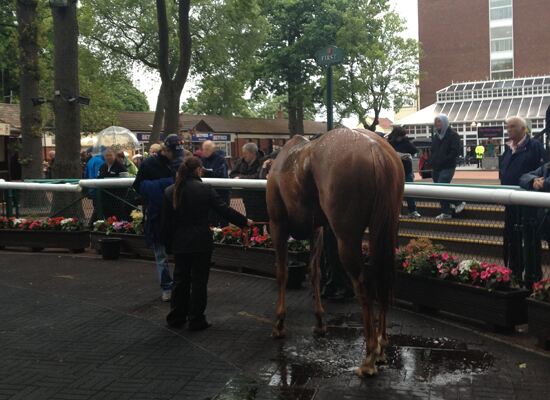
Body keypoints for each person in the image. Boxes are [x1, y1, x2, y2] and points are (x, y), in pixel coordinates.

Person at [162, 157, 252, 330]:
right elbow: (224, 209)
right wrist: (244, 221)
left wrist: (168, 245)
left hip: (180, 242)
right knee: (199, 281)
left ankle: (176, 317)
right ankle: (196, 319)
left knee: (180, 280)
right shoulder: (204, 189)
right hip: (201, 241)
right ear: (197, 170)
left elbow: (166, 223)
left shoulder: (170, 191)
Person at [133, 135, 185, 302]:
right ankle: (167, 287)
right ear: (166, 150)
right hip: (157, 214)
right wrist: (165, 185)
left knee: (178, 251)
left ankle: (179, 285)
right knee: (161, 254)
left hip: (175, 214)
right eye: (174, 154)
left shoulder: (178, 162)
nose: (176, 157)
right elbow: (137, 186)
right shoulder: (149, 164)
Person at [500, 116, 547, 288]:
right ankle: (514, 272)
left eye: (513, 126)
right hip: (510, 201)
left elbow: (540, 171)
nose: (509, 130)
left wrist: (531, 183)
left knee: (529, 239)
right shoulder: (507, 148)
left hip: (528, 204)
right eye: (508, 127)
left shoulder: (534, 147)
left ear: (523, 129)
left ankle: (533, 276)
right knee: (511, 237)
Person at [430, 114, 466, 219]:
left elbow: (455, 151)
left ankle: (458, 202)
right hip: (436, 167)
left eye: (439, 121)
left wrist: (444, 159)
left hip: (448, 166)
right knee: (439, 190)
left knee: (441, 186)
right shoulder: (436, 136)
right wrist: (432, 161)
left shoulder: (453, 135)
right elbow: (433, 150)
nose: (437, 124)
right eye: (436, 122)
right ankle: (446, 211)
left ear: (444, 122)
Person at [388, 126, 420, 218]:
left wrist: (407, 155)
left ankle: (412, 210)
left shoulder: (405, 141)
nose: (401, 138)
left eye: (402, 136)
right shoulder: (389, 143)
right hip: (395, 170)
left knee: (410, 192)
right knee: (396, 192)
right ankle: (398, 211)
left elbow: (414, 150)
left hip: (406, 170)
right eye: (400, 136)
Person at [230, 143, 266, 221]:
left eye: (245, 153)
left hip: (261, 198)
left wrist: (241, 178)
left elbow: (259, 176)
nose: (244, 155)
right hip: (247, 196)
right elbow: (232, 174)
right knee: (251, 220)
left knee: (264, 220)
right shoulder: (241, 161)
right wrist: (239, 178)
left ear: (252, 153)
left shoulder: (262, 162)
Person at [98, 148, 130, 220]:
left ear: (114, 156)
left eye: (110, 155)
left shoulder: (121, 167)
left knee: (118, 217)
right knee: (107, 217)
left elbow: (126, 183)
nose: (108, 157)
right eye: (106, 155)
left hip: (117, 198)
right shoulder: (102, 167)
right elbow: (98, 179)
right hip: (105, 198)